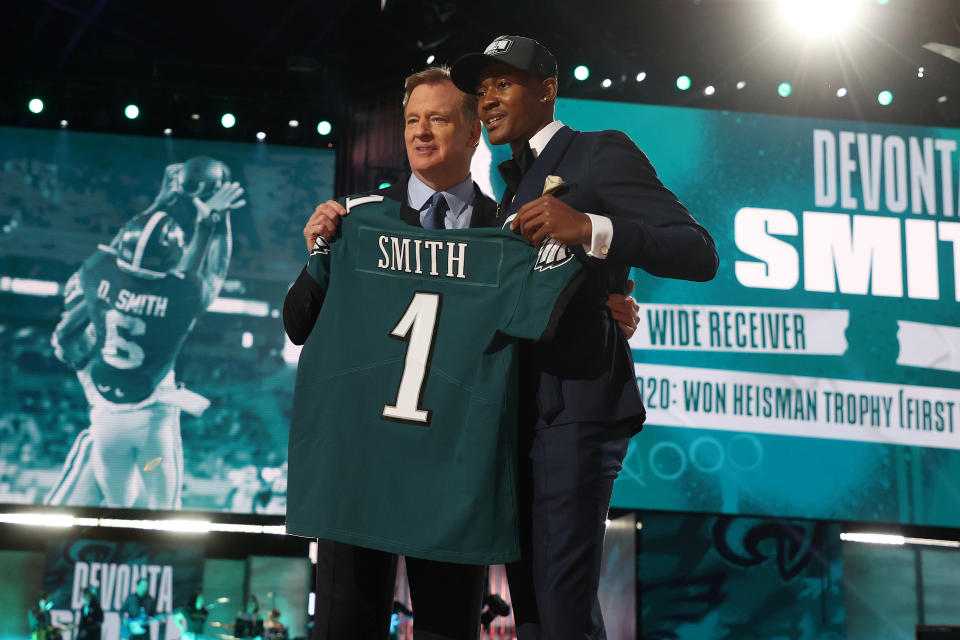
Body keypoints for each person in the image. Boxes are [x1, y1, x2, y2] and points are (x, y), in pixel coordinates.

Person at [286, 67, 638, 640]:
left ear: (474, 131)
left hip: (456, 481)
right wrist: (318, 254)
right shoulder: (356, 221)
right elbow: (298, 324)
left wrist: (604, 309)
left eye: (439, 119)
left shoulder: (509, 233)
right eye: (412, 121)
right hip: (361, 474)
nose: (422, 132)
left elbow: (542, 332)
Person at [449, 36, 718, 640]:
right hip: (518, 416)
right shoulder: (505, 186)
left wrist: (593, 228)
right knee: (538, 610)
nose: (487, 99)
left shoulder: (598, 152)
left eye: (504, 83)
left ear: (547, 90)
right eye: (482, 87)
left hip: (577, 407)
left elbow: (699, 252)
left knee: (562, 604)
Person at [43, 158, 244, 509]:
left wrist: (162, 201)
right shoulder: (178, 294)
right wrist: (213, 220)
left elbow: (124, 250)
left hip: (105, 416)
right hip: (154, 415)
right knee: (162, 511)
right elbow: (208, 272)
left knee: (121, 503)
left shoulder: (93, 277)